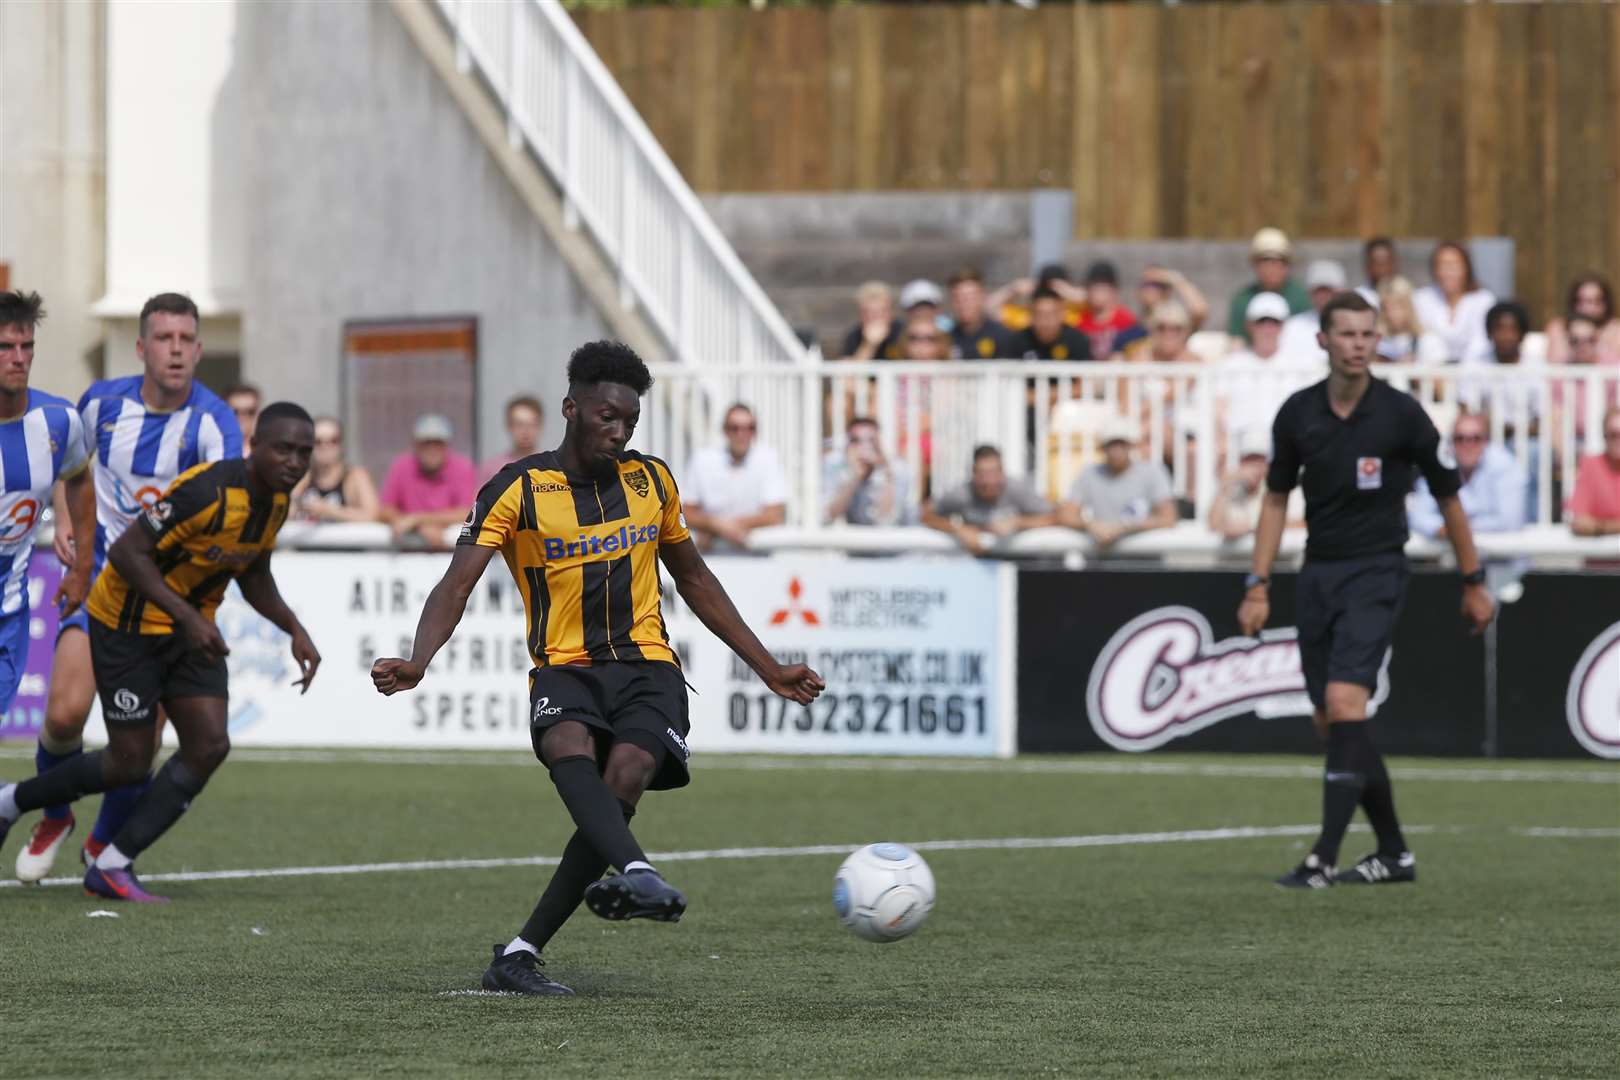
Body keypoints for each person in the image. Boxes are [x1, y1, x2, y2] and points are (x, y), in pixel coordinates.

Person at [369, 341, 824, 997]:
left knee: (626, 775)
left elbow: (695, 579)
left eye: (629, 422)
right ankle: (633, 875)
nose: (618, 431)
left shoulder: (652, 482)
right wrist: (419, 659)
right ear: (571, 408)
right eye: (607, 416)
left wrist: (768, 668)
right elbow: (456, 583)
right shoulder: (519, 488)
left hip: (647, 666)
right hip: (565, 667)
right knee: (566, 746)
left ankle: (523, 951)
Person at [0, 403, 321, 902]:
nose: (295, 461)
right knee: (129, 761)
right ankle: (11, 801)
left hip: (189, 630)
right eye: (283, 449)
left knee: (210, 744)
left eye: (305, 452)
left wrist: (293, 628)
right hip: (125, 625)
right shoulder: (206, 489)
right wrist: (189, 617)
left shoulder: (275, 503)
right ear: (254, 446)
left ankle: (112, 863)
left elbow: (253, 572)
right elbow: (128, 553)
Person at [1238, 291, 1494, 890]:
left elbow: (1448, 499)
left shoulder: (1403, 416)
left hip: (1378, 571)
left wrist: (1474, 579)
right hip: (1318, 574)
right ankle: (1395, 853)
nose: (1357, 344)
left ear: (1378, 341)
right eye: (1346, 334)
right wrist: (1257, 583)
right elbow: (1275, 499)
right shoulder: (1297, 415)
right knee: (1333, 721)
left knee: (1348, 705)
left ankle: (1321, 859)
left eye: (1367, 334)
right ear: (1323, 341)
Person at [16, 292, 242, 883]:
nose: (176, 350)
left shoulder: (214, 424)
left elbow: (228, 509)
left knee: (137, 743)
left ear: (198, 348)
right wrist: (67, 528)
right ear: (141, 348)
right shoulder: (100, 404)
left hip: (171, 607)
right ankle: (55, 814)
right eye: (164, 339)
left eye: (186, 339)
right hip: (102, 588)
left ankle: (101, 844)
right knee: (64, 716)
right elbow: (73, 471)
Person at [0, 293, 97, 855]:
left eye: (26, 345)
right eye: (6, 346)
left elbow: (78, 480)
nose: (18, 356)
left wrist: (82, 564)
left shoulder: (58, 420)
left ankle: (46, 811)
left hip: (9, 613)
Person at [1057, 416, 1177, 549]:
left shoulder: (1153, 472)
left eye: (1121, 444)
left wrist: (1124, 528)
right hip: (1103, 559)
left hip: (1147, 558)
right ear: (1102, 448)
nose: (1116, 450)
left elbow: (1168, 518)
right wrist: (1091, 525)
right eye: (1111, 444)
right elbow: (1066, 515)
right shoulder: (1089, 474)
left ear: (1131, 446)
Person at [682, 403, 788, 552]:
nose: (742, 434)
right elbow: (686, 513)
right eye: (735, 428)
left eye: (749, 428)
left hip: (756, 554)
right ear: (725, 430)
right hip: (712, 556)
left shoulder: (768, 458)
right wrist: (719, 525)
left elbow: (775, 515)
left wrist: (719, 527)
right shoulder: (703, 459)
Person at [1407, 412, 1527, 538]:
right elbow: (1418, 516)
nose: (1467, 444)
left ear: (1487, 441)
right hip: (1456, 554)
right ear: (1451, 442)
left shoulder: (1506, 466)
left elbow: (1509, 522)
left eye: (1475, 438)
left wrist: (1456, 527)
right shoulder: (1442, 463)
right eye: (1460, 438)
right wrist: (1440, 528)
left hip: (1502, 556)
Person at [922, 445, 1055, 555]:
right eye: (983, 474)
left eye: (993, 473)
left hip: (1021, 563)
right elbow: (926, 515)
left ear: (1002, 472)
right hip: (978, 564)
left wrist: (1018, 522)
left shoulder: (1018, 490)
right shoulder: (961, 494)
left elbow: (1054, 517)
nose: (989, 481)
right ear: (974, 474)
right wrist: (959, 529)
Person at [379, 413, 479, 549]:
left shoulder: (462, 468)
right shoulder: (402, 467)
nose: (432, 449)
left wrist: (417, 519)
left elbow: (467, 513)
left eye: (438, 443)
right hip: (408, 552)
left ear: (446, 446)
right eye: (426, 444)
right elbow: (385, 510)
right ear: (415, 445)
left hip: (453, 552)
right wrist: (420, 527)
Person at [1208, 429, 1303, 540]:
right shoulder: (1233, 490)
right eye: (1249, 460)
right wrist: (1224, 486)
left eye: (1260, 460)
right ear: (1241, 462)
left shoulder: (1285, 489)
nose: (1254, 466)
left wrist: (1254, 528)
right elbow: (1212, 524)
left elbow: (1301, 523)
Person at [823, 417, 917, 526]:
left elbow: (887, 520)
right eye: (856, 441)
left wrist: (887, 474)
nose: (864, 447)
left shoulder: (898, 470)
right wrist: (855, 478)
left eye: (871, 441)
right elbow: (828, 516)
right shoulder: (836, 466)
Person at [1412, 241, 1495, 364]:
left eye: (1453, 266)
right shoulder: (1421, 298)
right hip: (1432, 376)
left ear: (1466, 268)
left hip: (1474, 371)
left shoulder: (1483, 299)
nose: (1447, 272)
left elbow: (1480, 343)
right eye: (1442, 266)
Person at [289, 416, 380, 523]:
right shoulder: (302, 477)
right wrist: (296, 504)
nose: (325, 446)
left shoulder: (355, 476)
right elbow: (283, 513)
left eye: (333, 441)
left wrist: (329, 510)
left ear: (341, 444)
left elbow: (373, 515)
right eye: (318, 441)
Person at [1226, 228, 1311, 340]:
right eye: (1266, 260)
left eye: (1279, 261)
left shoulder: (1301, 298)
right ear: (1255, 265)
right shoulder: (1243, 299)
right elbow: (1236, 341)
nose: (1272, 267)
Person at [1278, 260, 1347, 363]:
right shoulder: (1293, 326)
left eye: (1328, 290)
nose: (1324, 296)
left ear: (1341, 292)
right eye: (1319, 291)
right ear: (1310, 293)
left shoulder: (1353, 325)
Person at [1566, 406, 1620, 537]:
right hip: (1600, 556)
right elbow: (1580, 523)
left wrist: (1600, 526)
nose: (1618, 440)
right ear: (1604, 436)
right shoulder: (1591, 465)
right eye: (1613, 434)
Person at [1546, 274, 1620, 366]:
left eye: (1597, 301)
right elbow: (1555, 363)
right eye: (1583, 301)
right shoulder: (1559, 326)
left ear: (1606, 303)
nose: (1589, 308)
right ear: (1574, 302)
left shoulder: (1615, 328)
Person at [947, 267, 1014, 360]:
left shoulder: (1004, 337)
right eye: (957, 298)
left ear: (983, 297)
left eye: (969, 298)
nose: (963, 304)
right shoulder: (946, 340)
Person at [1009, 287, 1092, 361]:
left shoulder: (1077, 341)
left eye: (1050, 315)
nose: (1045, 322)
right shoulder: (1018, 341)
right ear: (1031, 316)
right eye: (1040, 314)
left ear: (1061, 314)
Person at [481, 394, 546, 482]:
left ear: (540, 425)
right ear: (508, 425)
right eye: (519, 424)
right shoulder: (493, 469)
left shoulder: (551, 468)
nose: (525, 431)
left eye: (531, 424)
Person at [840, 281, 902, 361]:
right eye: (868, 313)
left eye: (881, 312)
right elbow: (848, 372)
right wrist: (869, 345)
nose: (875, 318)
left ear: (891, 313)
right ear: (861, 315)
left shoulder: (904, 332)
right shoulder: (854, 335)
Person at [1135, 265, 1210, 331]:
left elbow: (1199, 310)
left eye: (1157, 285)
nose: (1150, 290)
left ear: (1167, 291)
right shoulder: (1135, 322)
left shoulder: (1174, 323)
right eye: (1147, 284)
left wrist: (1175, 278)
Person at [1356, 237, 1398, 305]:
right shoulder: (1358, 297)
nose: (1382, 270)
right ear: (1367, 266)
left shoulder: (1411, 297)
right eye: (1377, 264)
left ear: (1394, 263)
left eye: (1386, 263)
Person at [224, 383, 261, 456]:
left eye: (250, 412)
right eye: (235, 412)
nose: (242, 418)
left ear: (259, 415)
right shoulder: (211, 450)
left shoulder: (266, 454)